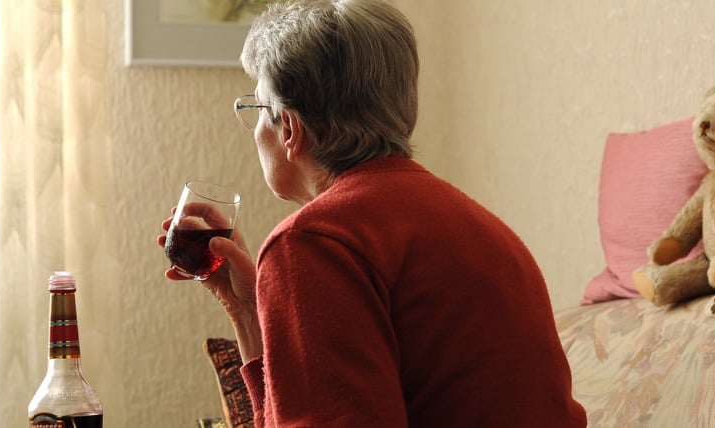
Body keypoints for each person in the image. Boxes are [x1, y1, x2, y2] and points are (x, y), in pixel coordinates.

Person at [158, 0, 587, 426]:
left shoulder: (312, 242)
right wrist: (247, 310)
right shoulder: (485, 229)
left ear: (289, 129)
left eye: (255, 108)